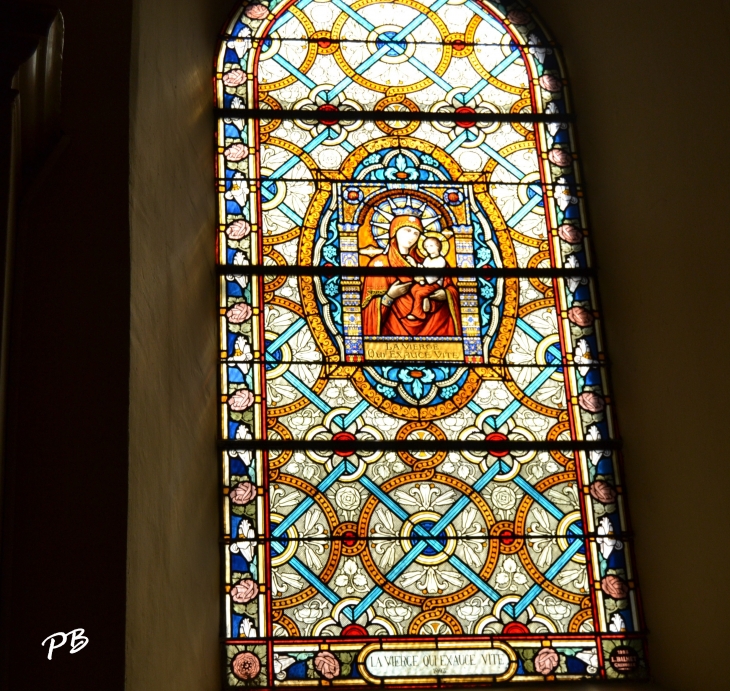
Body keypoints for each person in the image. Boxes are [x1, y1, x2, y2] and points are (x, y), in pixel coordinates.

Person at [361, 214, 461, 337]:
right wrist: (389, 297)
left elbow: (451, 289)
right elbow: (366, 310)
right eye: (407, 230)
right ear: (394, 232)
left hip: (435, 330)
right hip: (392, 332)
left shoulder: (428, 262)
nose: (411, 236)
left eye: (416, 233)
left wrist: (446, 295)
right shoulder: (380, 264)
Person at [408, 234, 448, 321]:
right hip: (426, 283)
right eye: (426, 246)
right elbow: (423, 268)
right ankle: (426, 300)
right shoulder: (427, 259)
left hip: (435, 284)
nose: (428, 248)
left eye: (431, 246)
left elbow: (435, 276)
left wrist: (423, 278)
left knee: (419, 293)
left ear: (438, 246)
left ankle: (418, 314)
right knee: (414, 289)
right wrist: (414, 264)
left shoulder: (441, 260)